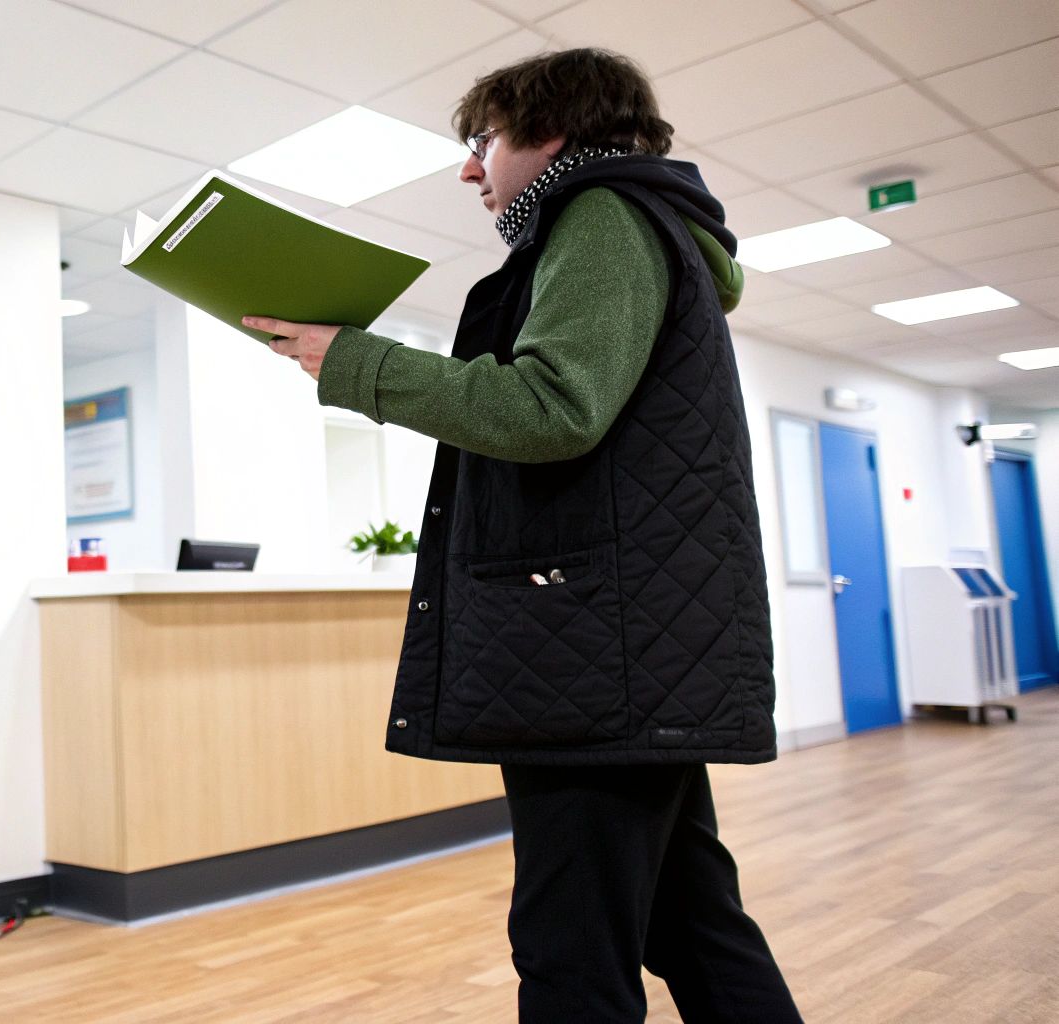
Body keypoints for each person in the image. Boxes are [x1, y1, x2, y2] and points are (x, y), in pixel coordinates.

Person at [243, 48, 803, 1023]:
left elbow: (552, 406)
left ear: (550, 131)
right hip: (628, 659)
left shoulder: (600, 214)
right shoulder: (640, 226)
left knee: (568, 956)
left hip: (590, 664)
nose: (470, 169)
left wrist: (359, 364)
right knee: (691, 925)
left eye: (481, 141)